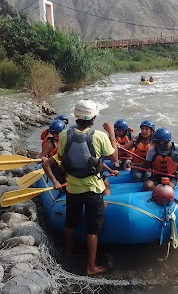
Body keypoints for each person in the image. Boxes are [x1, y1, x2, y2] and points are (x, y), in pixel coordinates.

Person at [42, 99, 118, 275]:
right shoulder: (99, 136)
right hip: (93, 189)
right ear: (93, 118)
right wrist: (111, 134)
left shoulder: (63, 135)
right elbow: (114, 158)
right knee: (93, 229)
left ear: (76, 117)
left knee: (70, 222)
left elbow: (61, 156)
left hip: (72, 188)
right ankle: (91, 267)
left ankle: (68, 252)